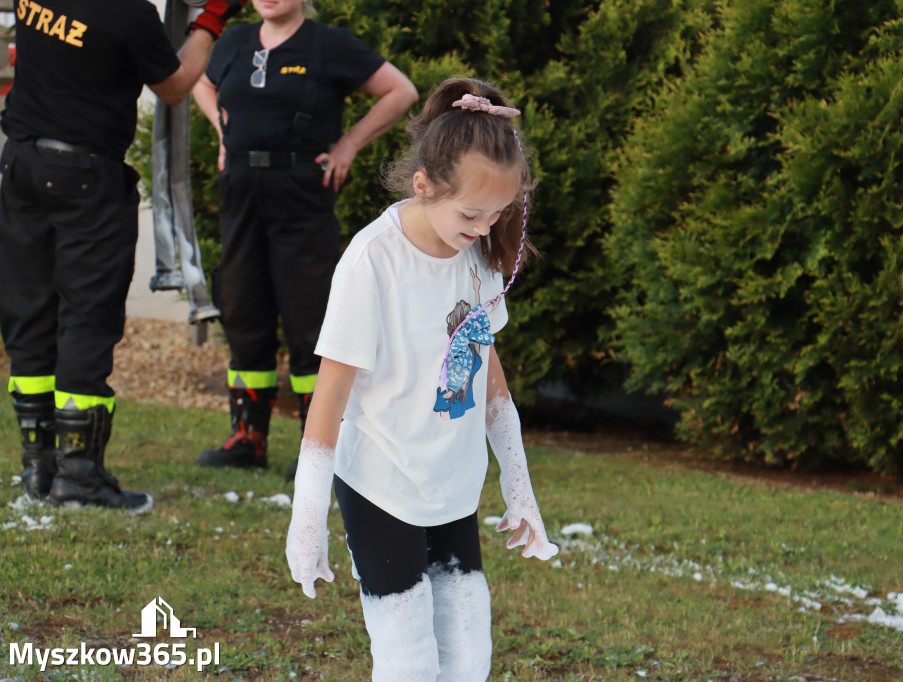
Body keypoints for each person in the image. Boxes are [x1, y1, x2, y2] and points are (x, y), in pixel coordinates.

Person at [285, 77, 559, 681]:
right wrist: (307, 520)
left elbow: (487, 375)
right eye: (471, 213)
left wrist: (520, 487)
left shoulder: (479, 255)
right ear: (423, 185)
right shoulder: (371, 260)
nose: (485, 230)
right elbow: (329, 395)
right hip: (382, 482)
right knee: (408, 658)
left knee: (467, 653)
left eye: (497, 214)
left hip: (451, 485)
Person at [0, 0, 247, 512]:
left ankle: (38, 466)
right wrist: (210, 20)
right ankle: (79, 477)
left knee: (29, 314)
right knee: (87, 321)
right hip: (87, 177)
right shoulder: (128, 14)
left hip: (23, 165)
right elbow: (176, 86)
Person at [191, 0, 417, 474]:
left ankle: (317, 450)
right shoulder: (233, 41)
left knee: (309, 317)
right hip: (239, 191)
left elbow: (400, 91)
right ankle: (246, 438)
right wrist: (222, 133)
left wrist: (349, 145)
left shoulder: (328, 45)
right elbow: (200, 81)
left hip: (300, 192)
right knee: (241, 307)